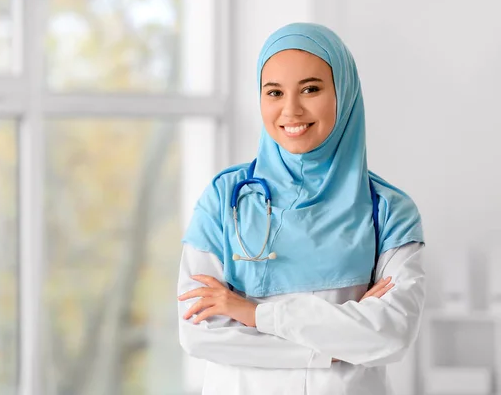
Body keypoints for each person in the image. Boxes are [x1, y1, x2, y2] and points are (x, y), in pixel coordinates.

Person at [176, 22, 425, 395]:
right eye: (274, 92)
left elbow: (392, 332)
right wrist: (338, 347)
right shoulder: (223, 200)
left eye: (310, 89)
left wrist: (250, 313)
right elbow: (200, 335)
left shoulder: (389, 210)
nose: (290, 110)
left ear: (343, 92)